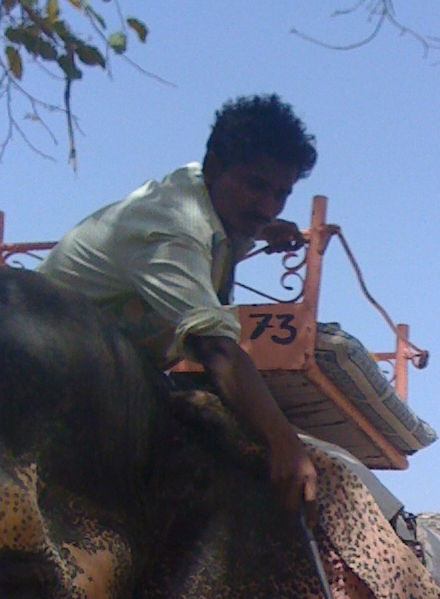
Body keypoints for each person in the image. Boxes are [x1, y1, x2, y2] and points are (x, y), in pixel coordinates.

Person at [40, 93, 319, 517]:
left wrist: (264, 231)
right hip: (45, 375)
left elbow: (223, 236)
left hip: (108, 375)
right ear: (214, 169)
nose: (267, 206)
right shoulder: (173, 227)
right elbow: (219, 350)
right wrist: (285, 443)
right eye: (256, 186)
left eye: (281, 193)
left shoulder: (210, 201)